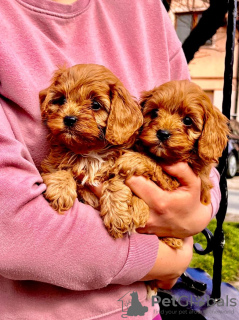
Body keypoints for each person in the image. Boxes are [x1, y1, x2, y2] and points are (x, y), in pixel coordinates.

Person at [0, 0, 221, 319]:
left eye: (95, 106)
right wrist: (169, 259)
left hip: (140, 311)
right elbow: (16, 230)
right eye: (59, 101)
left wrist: (198, 213)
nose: (71, 115)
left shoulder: (146, 9)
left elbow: (204, 161)